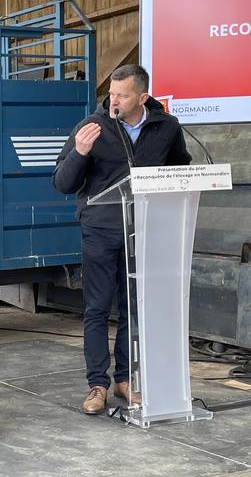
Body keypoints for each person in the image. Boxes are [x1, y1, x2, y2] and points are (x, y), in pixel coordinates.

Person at [52, 64, 192, 415]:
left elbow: (179, 172)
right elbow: (62, 183)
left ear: (142, 96)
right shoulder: (91, 126)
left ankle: (125, 380)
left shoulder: (166, 128)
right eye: (111, 93)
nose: (112, 100)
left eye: (121, 95)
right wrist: (79, 153)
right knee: (97, 309)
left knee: (134, 309)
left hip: (146, 230)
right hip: (100, 229)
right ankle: (97, 384)